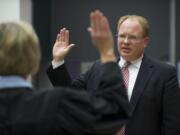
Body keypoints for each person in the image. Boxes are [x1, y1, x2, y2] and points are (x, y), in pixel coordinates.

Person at [47, 11, 180, 135]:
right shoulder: (99, 67)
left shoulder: (164, 74)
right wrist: (58, 61)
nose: (126, 42)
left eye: (132, 37)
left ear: (145, 42)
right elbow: (71, 95)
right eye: (122, 36)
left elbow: (172, 123)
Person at [0, 11, 130, 135]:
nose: (126, 41)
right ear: (33, 57)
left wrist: (57, 60)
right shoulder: (52, 105)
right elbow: (111, 114)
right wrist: (107, 53)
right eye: (122, 36)